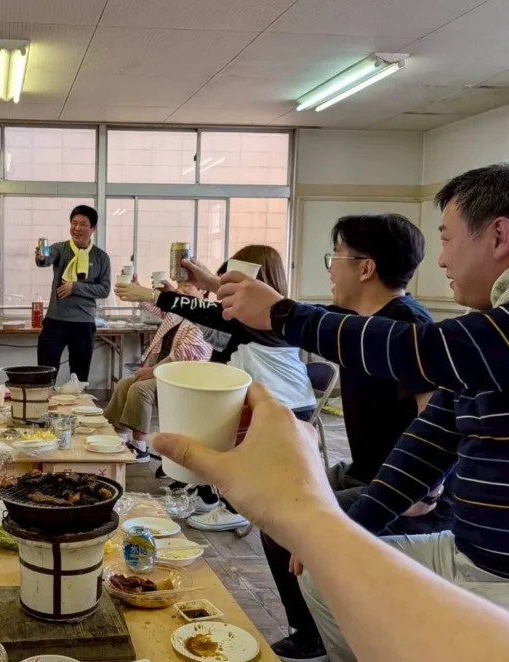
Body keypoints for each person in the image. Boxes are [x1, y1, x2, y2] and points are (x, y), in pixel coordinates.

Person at [216, 162, 509, 662]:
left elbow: (420, 350)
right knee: (327, 576)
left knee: (422, 639)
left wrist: (283, 314)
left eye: (447, 239)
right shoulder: (504, 321)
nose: (441, 259)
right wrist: (347, 530)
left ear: (498, 235)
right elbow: (430, 441)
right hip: (471, 552)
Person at [151, 383, 509, 662]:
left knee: (389, 625)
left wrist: (284, 320)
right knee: (319, 573)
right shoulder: (480, 351)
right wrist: (336, 534)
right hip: (465, 547)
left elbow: (384, 347)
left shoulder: (496, 331)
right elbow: (426, 446)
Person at [259, 214, 453, 662]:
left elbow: (436, 416)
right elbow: (294, 321)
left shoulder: (406, 327)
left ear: (365, 268)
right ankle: (314, 633)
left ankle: (328, 638)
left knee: (296, 524)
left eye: (336, 257)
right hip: (367, 471)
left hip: (406, 496)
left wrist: (424, 491)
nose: (330, 269)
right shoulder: (360, 323)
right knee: (274, 512)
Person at [117, 244, 315, 533]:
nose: (227, 288)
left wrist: (151, 295)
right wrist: (180, 297)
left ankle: (236, 509)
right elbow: (214, 329)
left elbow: (209, 314)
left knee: (212, 435)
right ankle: (209, 497)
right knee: (203, 426)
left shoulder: (272, 315)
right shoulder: (254, 317)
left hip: (286, 406)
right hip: (262, 400)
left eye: (235, 278)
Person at [103, 281, 212, 463]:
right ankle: (119, 436)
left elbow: (184, 354)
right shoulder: (179, 312)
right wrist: (139, 290)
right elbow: (157, 308)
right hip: (163, 370)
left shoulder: (205, 317)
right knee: (124, 384)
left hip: (182, 376)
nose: (181, 288)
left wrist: (153, 371)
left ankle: (140, 447)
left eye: (188, 285)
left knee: (140, 388)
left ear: (203, 289)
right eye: (180, 284)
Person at [35, 205, 112, 382]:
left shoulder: (101, 257)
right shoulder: (60, 248)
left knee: (79, 376)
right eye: (74, 223)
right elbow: (46, 259)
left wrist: (75, 287)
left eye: (83, 224)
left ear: (93, 228)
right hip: (55, 321)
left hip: (83, 323)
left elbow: (104, 289)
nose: (77, 228)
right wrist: (41, 257)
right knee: (45, 373)